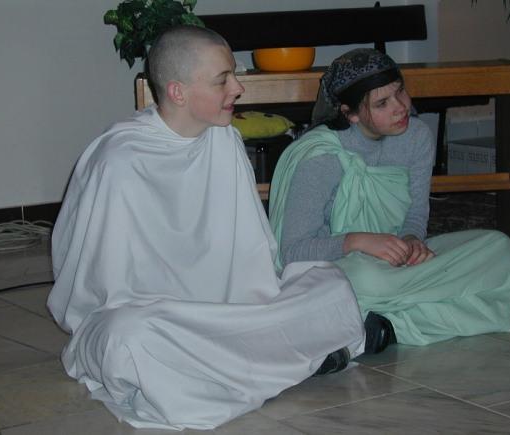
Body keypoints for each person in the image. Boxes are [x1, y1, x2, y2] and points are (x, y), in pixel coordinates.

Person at [46, 26, 366, 431]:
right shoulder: (118, 161)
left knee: (329, 285)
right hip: (156, 320)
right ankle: (284, 361)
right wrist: (181, 317)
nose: (238, 88)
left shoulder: (223, 140)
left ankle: (228, 368)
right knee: (128, 339)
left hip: (226, 314)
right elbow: (97, 289)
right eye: (222, 80)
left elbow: (251, 259)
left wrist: (234, 312)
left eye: (234, 75)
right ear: (178, 92)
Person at [269, 48, 510, 351]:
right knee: (366, 279)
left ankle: (383, 326)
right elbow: (293, 252)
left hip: (396, 265)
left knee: (497, 246)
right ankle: (445, 301)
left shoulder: (416, 137)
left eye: (400, 91)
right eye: (382, 103)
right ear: (350, 113)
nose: (400, 107)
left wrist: (412, 241)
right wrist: (357, 242)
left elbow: (416, 213)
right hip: (340, 268)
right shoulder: (320, 158)